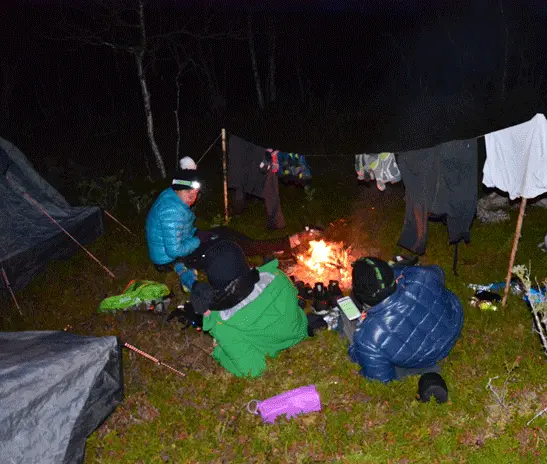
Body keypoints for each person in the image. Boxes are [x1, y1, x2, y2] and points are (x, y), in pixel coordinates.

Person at [145, 156, 319, 284]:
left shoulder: (173, 197)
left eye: (196, 193)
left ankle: (262, 248)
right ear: (178, 189)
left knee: (224, 232)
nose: (193, 197)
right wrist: (197, 240)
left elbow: (180, 232)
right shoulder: (171, 211)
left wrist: (196, 236)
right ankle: (282, 244)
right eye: (188, 192)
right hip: (171, 260)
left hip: (184, 240)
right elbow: (175, 250)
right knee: (227, 246)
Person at [175, 240, 314, 378]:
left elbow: (253, 370)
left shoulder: (223, 323)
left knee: (226, 343)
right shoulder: (276, 276)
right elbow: (295, 300)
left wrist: (218, 353)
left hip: (272, 349)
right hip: (300, 331)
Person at [344, 257, 463, 400]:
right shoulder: (420, 276)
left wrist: (355, 350)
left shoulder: (368, 337)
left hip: (421, 358)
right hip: (453, 325)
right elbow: (438, 273)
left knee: (346, 319)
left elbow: (381, 380)